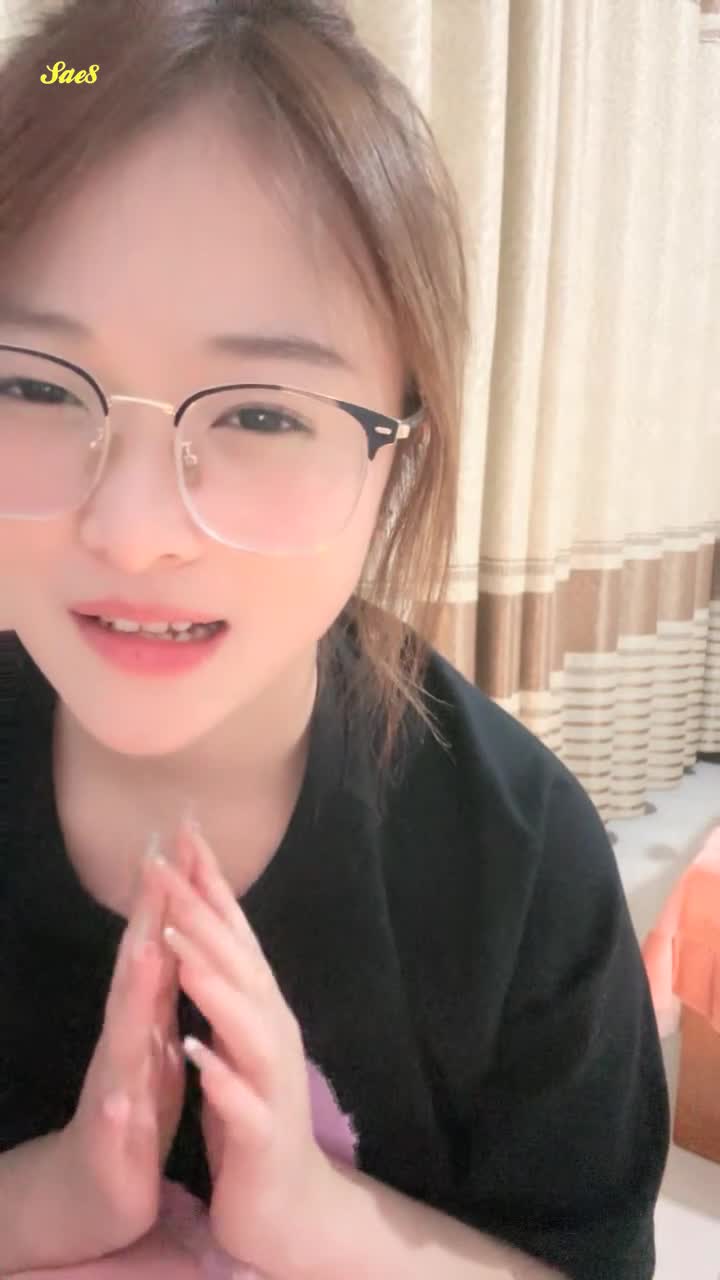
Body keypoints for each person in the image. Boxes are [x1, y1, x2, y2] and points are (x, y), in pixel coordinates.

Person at [0, 1, 670, 1277]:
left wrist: (318, 1214)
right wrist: (52, 1193)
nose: (132, 531)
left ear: (396, 458)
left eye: (261, 414)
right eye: (30, 384)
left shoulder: (517, 864)